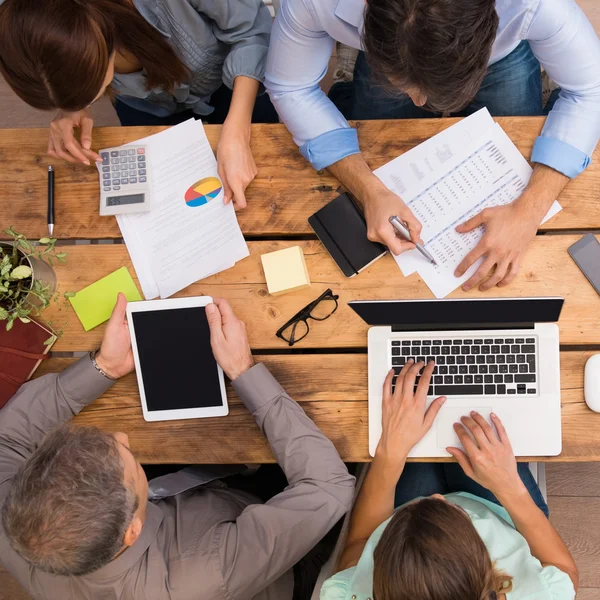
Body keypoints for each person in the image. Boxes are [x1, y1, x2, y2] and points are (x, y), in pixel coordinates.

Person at [0, 294, 355, 600]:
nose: (123, 437)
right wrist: (243, 370)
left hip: (194, 505)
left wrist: (103, 367)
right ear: (132, 531)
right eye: (126, 456)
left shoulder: (13, 518)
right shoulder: (204, 572)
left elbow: (5, 438)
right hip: (277, 562)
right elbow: (330, 488)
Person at [265, 0, 600, 290]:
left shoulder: (535, 5)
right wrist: (369, 190)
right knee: (376, 122)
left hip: (500, 57)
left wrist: (530, 210)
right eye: (406, 85)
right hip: (389, 49)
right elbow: (290, 87)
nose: (421, 101)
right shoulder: (314, 4)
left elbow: (592, 89)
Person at [320, 359, 578, 600]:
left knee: (424, 422)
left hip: (415, 521)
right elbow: (564, 570)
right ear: (484, 569)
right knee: (474, 413)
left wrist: (390, 452)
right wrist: (509, 487)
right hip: (503, 512)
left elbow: (358, 543)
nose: (436, 498)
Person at [0, 0, 279, 208]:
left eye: (93, 87)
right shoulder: (23, 18)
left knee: (267, 172)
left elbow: (252, 32)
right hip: (150, 106)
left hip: (236, 78)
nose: (91, 100)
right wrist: (69, 103)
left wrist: (238, 129)